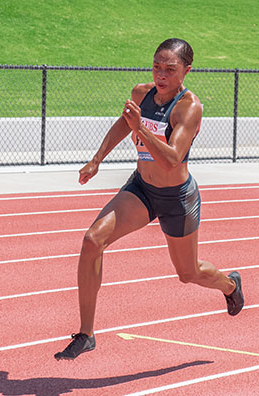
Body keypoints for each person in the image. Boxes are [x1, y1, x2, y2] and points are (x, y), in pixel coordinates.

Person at [54, 38, 244, 361]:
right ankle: (86, 334)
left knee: (188, 273)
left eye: (170, 69)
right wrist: (97, 159)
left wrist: (141, 129)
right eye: (157, 66)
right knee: (92, 240)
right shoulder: (141, 93)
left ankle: (229, 285)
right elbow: (122, 124)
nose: (161, 75)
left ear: (187, 70)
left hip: (176, 198)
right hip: (142, 189)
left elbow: (172, 158)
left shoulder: (190, 108)